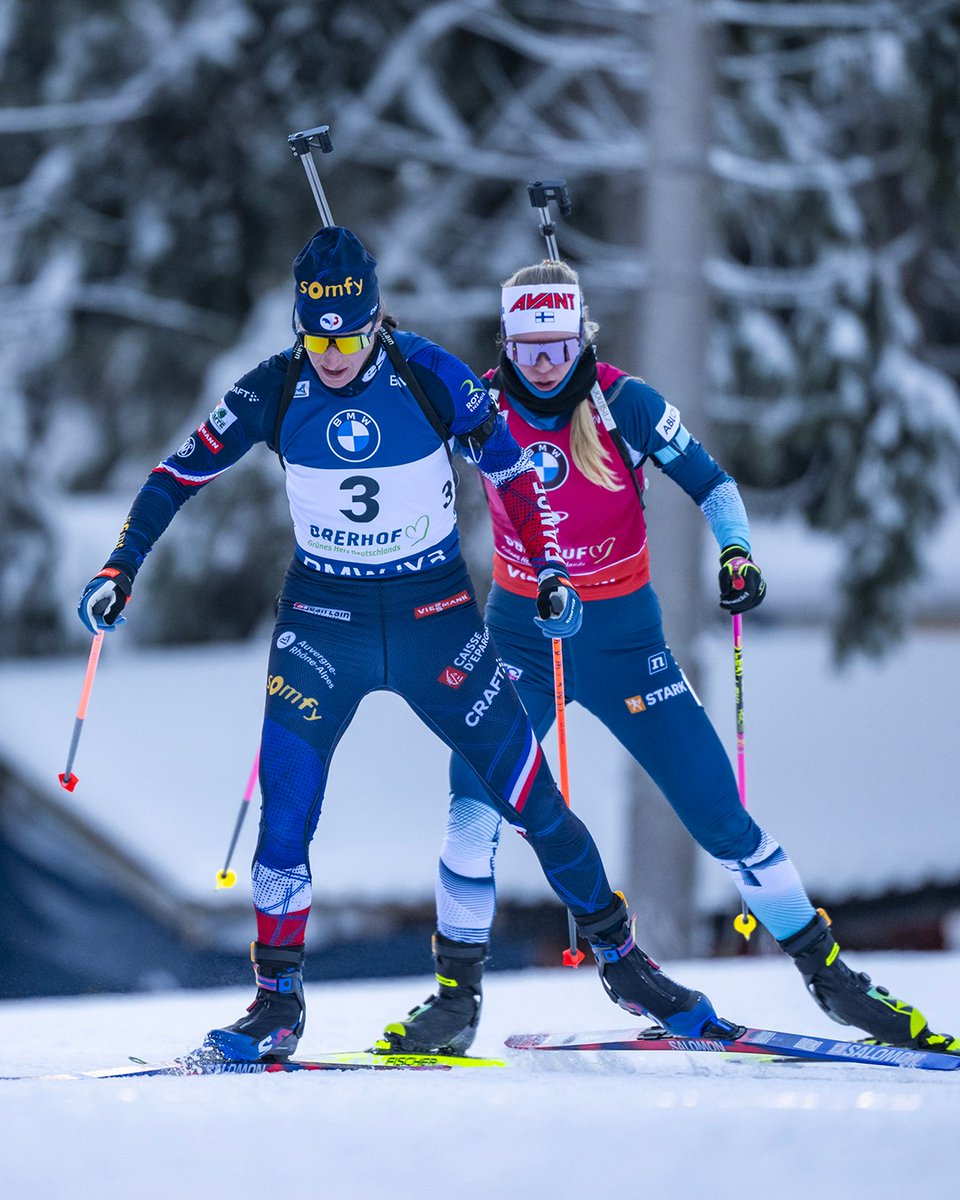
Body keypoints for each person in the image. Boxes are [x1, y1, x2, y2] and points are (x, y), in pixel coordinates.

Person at [78, 227, 739, 1063]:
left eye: (348, 336)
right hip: (325, 623)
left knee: (529, 797)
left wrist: (547, 572)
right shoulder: (274, 388)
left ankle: (625, 962)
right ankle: (276, 1002)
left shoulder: (430, 375)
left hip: (436, 622)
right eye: (316, 336)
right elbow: (176, 473)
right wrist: (120, 565)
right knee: (287, 809)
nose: (331, 354)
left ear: (375, 320)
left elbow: (509, 467)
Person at [378, 258, 959, 1058]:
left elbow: (715, 486)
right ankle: (455, 998)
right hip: (520, 633)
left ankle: (834, 980)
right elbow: (396, 414)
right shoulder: (482, 403)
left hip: (625, 641)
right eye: (525, 347)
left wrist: (737, 557)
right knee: (470, 802)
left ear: (580, 334)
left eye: (555, 344)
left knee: (720, 814)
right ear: (505, 343)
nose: (541, 362)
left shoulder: (626, 404)